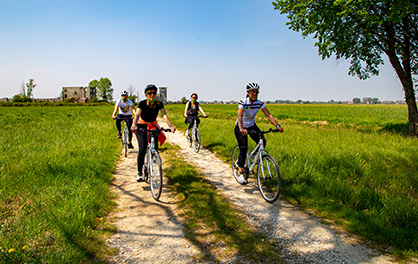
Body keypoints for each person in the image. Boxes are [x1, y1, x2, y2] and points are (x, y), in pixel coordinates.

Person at [234, 82, 284, 185]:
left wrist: (277, 126)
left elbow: (268, 115)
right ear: (248, 92)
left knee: (262, 142)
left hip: (251, 126)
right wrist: (241, 128)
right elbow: (239, 117)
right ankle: (241, 172)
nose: (255, 94)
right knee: (243, 148)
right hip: (241, 126)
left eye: (256, 92)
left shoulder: (259, 103)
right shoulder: (243, 102)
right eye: (252, 92)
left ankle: (254, 156)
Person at [131, 84, 176, 182]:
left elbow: (164, 115)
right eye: (150, 93)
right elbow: (137, 115)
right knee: (142, 149)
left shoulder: (159, 104)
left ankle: (154, 155)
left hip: (153, 125)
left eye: (154, 93)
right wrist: (134, 125)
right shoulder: (142, 103)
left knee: (155, 144)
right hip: (141, 125)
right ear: (146, 94)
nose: (152, 95)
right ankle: (139, 173)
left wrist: (171, 126)